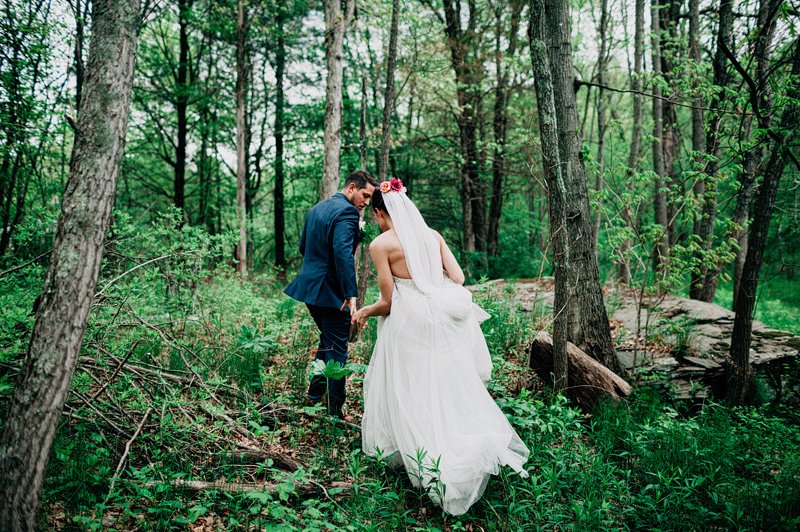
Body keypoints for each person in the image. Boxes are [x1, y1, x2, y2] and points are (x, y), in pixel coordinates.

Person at [352, 178, 529, 515]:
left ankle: (420, 453)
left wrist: (364, 311)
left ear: (379, 213)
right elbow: (459, 278)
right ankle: (460, 443)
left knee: (409, 386)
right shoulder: (432, 237)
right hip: (442, 318)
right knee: (444, 385)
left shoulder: (381, 245)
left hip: (408, 322)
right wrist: (431, 285)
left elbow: (388, 302)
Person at [285, 170, 378, 419]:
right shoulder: (348, 212)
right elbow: (342, 253)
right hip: (331, 294)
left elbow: (303, 246)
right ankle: (334, 410)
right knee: (338, 349)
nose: (366, 203)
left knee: (328, 341)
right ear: (351, 187)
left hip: (309, 289)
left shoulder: (317, 208)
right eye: (365, 195)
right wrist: (351, 294)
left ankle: (314, 396)